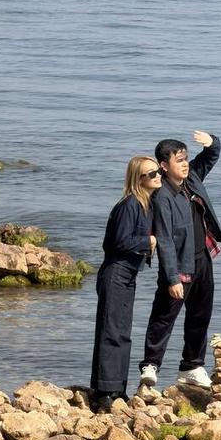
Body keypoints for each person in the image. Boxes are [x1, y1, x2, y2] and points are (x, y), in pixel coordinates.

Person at [139, 130, 221, 389]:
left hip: (202, 258)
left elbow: (210, 158)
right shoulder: (162, 196)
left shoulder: (192, 179)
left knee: (200, 314)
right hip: (179, 264)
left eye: (186, 158)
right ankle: (150, 365)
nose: (185, 164)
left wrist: (212, 142)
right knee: (164, 315)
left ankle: (192, 366)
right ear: (164, 166)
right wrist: (172, 277)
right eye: (179, 160)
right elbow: (164, 239)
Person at [90, 155, 161, 411]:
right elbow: (117, 242)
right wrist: (148, 242)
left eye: (158, 171)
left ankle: (117, 387)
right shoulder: (129, 204)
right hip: (116, 272)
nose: (157, 176)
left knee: (122, 331)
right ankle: (104, 391)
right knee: (112, 331)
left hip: (128, 273)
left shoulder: (146, 204)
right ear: (138, 179)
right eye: (151, 174)